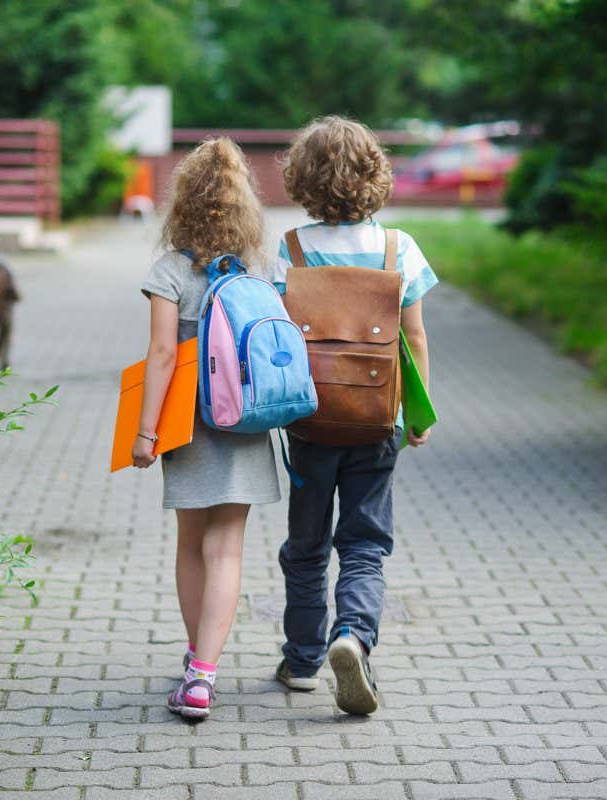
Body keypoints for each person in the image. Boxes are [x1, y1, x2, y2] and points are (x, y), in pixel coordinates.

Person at [270, 116, 437, 715]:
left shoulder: (288, 249)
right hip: (376, 420)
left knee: (306, 544)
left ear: (302, 178)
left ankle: (303, 660)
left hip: (311, 420)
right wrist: (417, 413)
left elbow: (275, 339)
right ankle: (354, 636)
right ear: (375, 176)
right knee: (365, 541)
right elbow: (413, 339)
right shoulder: (399, 248)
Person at [131, 138, 281, 721]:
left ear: (182, 203)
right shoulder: (260, 268)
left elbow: (163, 355)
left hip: (189, 424)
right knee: (228, 547)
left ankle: (197, 665)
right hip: (246, 419)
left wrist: (146, 433)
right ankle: (204, 673)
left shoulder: (169, 270)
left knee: (191, 543)